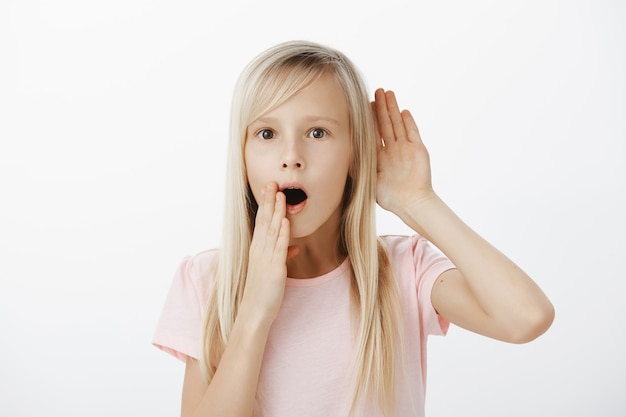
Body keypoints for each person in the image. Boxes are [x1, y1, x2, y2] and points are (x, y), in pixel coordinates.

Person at [152, 40, 554, 417]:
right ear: (242, 157)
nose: (291, 157)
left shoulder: (404, 270)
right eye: (267, 133)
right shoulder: (206, 281)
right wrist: (255, 310)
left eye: (317, 132)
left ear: (355, 154)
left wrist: (417, 202)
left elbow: (527, 318)